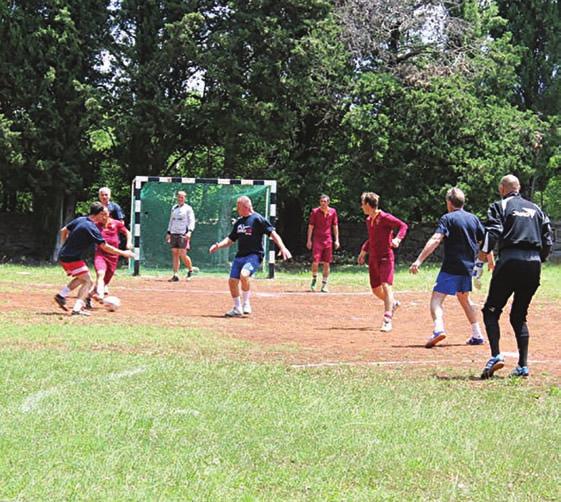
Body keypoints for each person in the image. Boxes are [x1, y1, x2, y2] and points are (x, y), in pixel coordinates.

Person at [479, 175, 553, 379]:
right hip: (533, 263)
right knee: (519, 316)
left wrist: (482, 256)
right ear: (518, 188)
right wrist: (540, 259)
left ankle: (496, 356)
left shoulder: (500, 206)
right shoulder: (536, 209)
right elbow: (548, 239)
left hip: (510, 260)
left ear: (503, 188)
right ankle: (522, 366)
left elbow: (493, 231)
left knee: (491, 311)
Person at [409, 187, 488, 348]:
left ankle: (438, 329)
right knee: (464, 299)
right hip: (467, 267)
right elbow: (485, 242)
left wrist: (419, 260)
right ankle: (477, 334)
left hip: (451, 266)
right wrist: (490, 261)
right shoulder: (473, 219)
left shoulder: (447, 218)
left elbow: (436, 239)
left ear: (449, 203)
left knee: (436, 299)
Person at [209, 196, 292, 317]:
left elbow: (273, 233)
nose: (237, 209)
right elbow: (231, 239)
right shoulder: (239, 222)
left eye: (238, 207)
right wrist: (218, 245)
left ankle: (246, 303)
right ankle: (237, 308)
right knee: (232, 281)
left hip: (254, 255)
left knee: (244, 274)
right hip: (240, 256)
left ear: (246, 207)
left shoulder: (257, 219)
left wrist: (283, 247)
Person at [54, 203, 134, 316]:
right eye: (104, 215)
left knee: (81, 278)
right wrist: (123, 253)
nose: (105, 217)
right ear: (100, 214)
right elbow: (104, 247)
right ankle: (77, 309)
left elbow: (63, 230)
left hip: (66, 256)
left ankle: (61, 295)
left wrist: (64, 245)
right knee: (88, 281)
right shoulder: (91, 228)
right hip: (72, 258)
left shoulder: (80, 219)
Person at [357, 192, 408, 332]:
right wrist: (363, 251)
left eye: (362, 204)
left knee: (386, 286)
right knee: (375, 290)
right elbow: (372, 238)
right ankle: (393, 303)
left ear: (368, 204)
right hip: (373, 258)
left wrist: (397, 239)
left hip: (386, 257)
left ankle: (387, 320)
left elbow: (403, 226)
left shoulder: (385, 217)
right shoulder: (368, 220)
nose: (361, 206)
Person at [92, 213, 132, 300]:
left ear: (108, 214)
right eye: (100, 214)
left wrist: (128, 243)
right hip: (100, 254)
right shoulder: (95, 226)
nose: (103, 217)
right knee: (100, 273)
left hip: (113, 257)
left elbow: (127, 233)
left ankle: (88, 296)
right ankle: (100, 295)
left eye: (105, 214)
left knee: (105, 281)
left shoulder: (116, 223)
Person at [306, 194, 340, 293]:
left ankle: (324, 284)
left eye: (325, 202)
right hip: (317, 239)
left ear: (328, 202)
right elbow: (311, 226)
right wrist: (309, 240)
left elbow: (335, 226)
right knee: (315, 261)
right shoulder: (315, 212)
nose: (323, 203)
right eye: (321, 201)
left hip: (328, 240)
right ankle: (314, 279)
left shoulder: (333, 212)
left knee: (326, 262)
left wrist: (336, 240)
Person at [166, 190, 196, 282]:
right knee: (175, 253)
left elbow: (192, 221)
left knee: (183, 254)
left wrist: (189, 232)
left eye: (182, 197)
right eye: (179, 197)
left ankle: (190, 271)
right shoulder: (174, 208)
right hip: (174, 233)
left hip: (183, 234)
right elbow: (171, 221)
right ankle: (175, 275)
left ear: (185, 198)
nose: (180, 199)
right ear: (177, 197)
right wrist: (168, 233)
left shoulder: (188, 208)